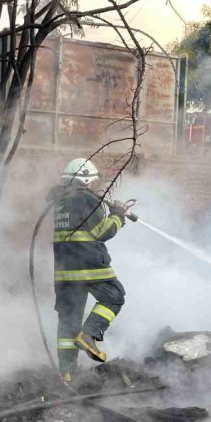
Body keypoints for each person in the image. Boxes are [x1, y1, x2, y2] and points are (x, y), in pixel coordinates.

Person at [50, 157, 131, 383]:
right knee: (115, 297)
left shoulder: (60, 202)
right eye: (92, 182)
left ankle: (67, 373)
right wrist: (118, 215)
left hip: (65, 271)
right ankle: (89, 335)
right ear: (84, 179)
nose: (93, 187)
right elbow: (101, 231)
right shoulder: (84, 198)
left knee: (68, 320)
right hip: (89, 267)